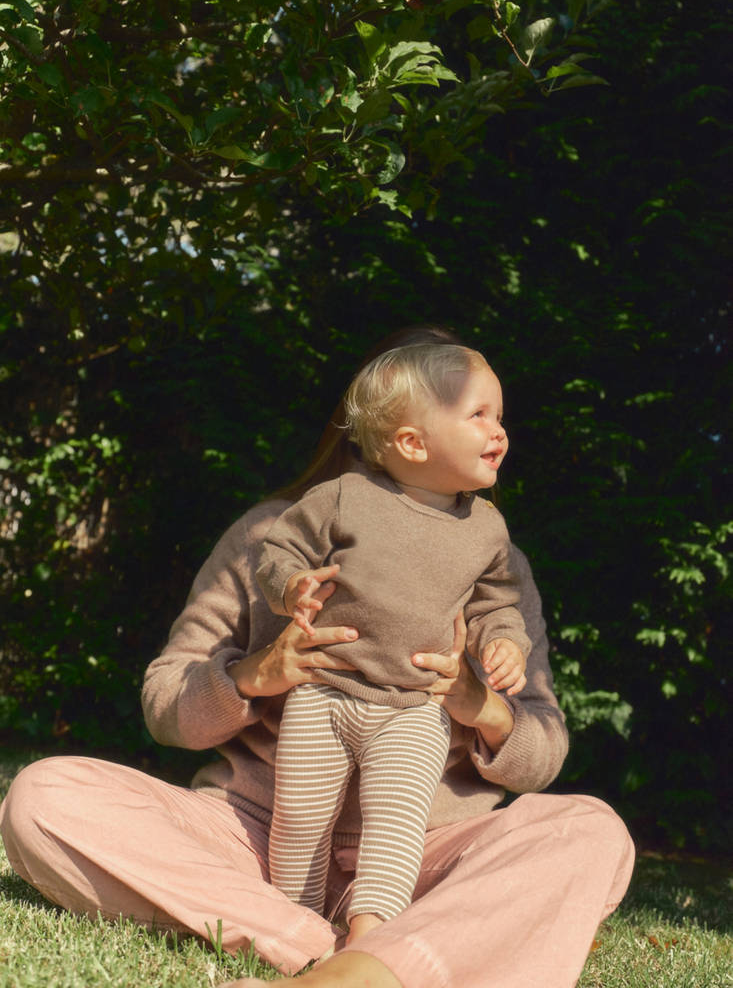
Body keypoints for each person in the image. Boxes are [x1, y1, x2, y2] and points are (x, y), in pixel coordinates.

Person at [0, 326, 635, 988]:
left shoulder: (491, 557)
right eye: (471, 412)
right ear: (399, 431)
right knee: (44, 795)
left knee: (589, 833)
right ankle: (345, 958)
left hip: (429, 856)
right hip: (251, 839)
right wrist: (256, 675)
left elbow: (542, 753)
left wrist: (481, 706)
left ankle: (361, 957)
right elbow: (165, 705)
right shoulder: (269, 536)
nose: (494, 430)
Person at [257, 343, 531, 943]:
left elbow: (496, 603)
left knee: (396, 824)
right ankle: (294, 927)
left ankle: (369, 937)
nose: (500, 431)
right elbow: (279, 552)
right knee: (299, 817)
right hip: (324, 693)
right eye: (479, 415)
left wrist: (506, 644)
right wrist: (291, 586)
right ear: (412, 443)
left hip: (415, 708)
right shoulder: (343, 498)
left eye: (500, 416)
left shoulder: (487, 528)